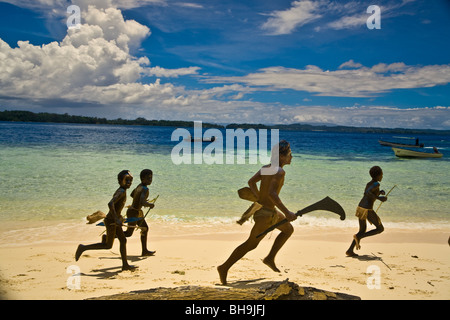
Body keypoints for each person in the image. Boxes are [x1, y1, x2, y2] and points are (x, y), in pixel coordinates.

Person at [217, 140, 297, 285]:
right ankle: (224, 267)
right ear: (281, 156)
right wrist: (287, 212)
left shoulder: (267, 168)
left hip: (268, 211)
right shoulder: (279, 171)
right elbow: (273, 194)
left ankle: (270, 258)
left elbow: (251, 182)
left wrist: (259, 196)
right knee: (250, 244)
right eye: (289, 154)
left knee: (288, 229)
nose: (291, 157)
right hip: (265, 215)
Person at [75, 170, 137, 271]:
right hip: (111, 221)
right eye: (127, 180)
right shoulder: (121, 191)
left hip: (114, 220)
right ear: (120, 180)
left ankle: (125, 265)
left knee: (123, 240)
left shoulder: (123, 191)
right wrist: (116, 219)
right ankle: (83, 248)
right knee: (108, 245)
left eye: (131, 180)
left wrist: (119, 217)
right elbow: (110, 204)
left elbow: (116, 207)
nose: (129, 182)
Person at [346, 166, 386, 257]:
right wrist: (379, 198)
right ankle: (359, 237)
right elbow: (368, 193)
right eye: (382, 174)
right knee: (380, 229)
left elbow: (369, 192)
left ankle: (349, 250)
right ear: (378, 175)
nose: (382, 176)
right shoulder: (376, 184)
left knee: (362, 230)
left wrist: (379, 193)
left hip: (360, 207)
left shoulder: (370, 183)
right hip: (367, 209)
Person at [123, 169, 156, 256]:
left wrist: (141, 201)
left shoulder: (139, 186)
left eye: (151, 178)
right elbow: (142, 202)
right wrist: (150, 205)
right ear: (142, 178)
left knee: (144, 228)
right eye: (148, 178)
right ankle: (109, 236)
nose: (150, 180)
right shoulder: (145, 189)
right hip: (134, 212)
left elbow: (132, 195)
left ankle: (144, 250)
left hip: (135, 212)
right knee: (129, 233)